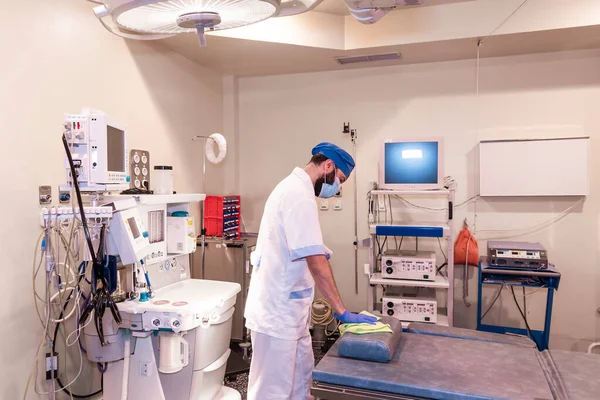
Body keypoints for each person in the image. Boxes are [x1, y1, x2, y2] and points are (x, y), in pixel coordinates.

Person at [244, 142, 378, 400]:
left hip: (291, 314)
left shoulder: (295, 190)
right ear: (328, 166)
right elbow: (316, 261)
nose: (337, 188)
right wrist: (342, 311)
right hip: (278, 316)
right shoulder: (297, 195)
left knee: (301, 385)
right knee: (272, 392)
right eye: (339, 180)